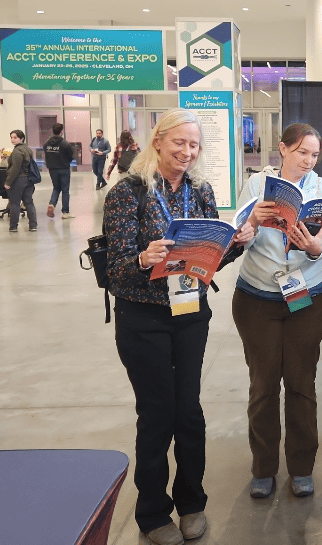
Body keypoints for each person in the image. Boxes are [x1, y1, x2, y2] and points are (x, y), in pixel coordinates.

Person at [104, 108, 253, 545]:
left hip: (190, 313)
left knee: (188, 411)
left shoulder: (201, 191)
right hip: (142, 317)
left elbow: (208, 263)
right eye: (179, 143)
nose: (187, 152)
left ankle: (192, 502)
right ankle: (151, 512)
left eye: (194, 145)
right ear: (158, 142)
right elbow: (116, 270)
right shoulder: (128, 193)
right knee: (156, 415)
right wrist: (141, 258)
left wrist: (234, 245)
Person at [232, 123, 322, 499]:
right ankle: (263, 468)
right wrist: (253, 223)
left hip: (306, 298)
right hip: (257, 297)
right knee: (262, 386)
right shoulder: (256, 185)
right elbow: (237, 238)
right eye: (302, 152)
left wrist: (312, 248)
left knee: (301, 383)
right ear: (283, 150)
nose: (307, 160)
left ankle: (302, 466)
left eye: (314, 154)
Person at [4, 130, 38, 233]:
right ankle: (33, 226)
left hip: (18, 180)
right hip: (29, 180)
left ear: (21, 138)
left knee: (15, 203)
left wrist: (8, 182)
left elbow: (15, 169)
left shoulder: (17, 151)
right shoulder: (28, 149)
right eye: (11, 137)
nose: (12, 140)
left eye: (15, 137)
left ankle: (13, 226)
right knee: (29, 202)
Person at [44, 122, 74, 219]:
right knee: (65, 190)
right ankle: (65, 212)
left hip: (52, 169)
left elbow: (46, 154)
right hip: (64, 169)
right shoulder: (65, 144)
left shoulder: (46, 143)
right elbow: (70, 156)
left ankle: (52, 204)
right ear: (61, 132)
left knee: (56, 188)